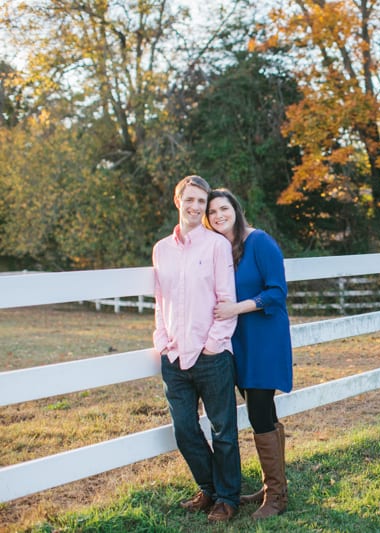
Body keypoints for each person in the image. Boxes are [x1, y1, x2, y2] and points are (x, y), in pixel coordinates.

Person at [152, 175, 241, 522]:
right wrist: (162, 341)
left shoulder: (216, 246)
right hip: (174, 357)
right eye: (189, 200)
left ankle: (228, 498)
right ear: (178, 201)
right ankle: (209, 489)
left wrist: (213, 345)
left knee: (223, 431)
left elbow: (227, 300)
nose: (195, 207)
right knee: (185, 430)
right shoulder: (161, 249)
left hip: (212, 356)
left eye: (201, 202)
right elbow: (161, 302)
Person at [205, 188, 293, 519]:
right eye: (211, 212)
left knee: (258, 409)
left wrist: (236, 308)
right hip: (237, 340)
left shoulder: (260, 242)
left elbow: (277, 292)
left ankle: (277, 496)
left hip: (264, 338)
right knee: (261, 410)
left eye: (223, 208)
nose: (218, 215)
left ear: (236, 210)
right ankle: (275, 485)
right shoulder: (219, 249)